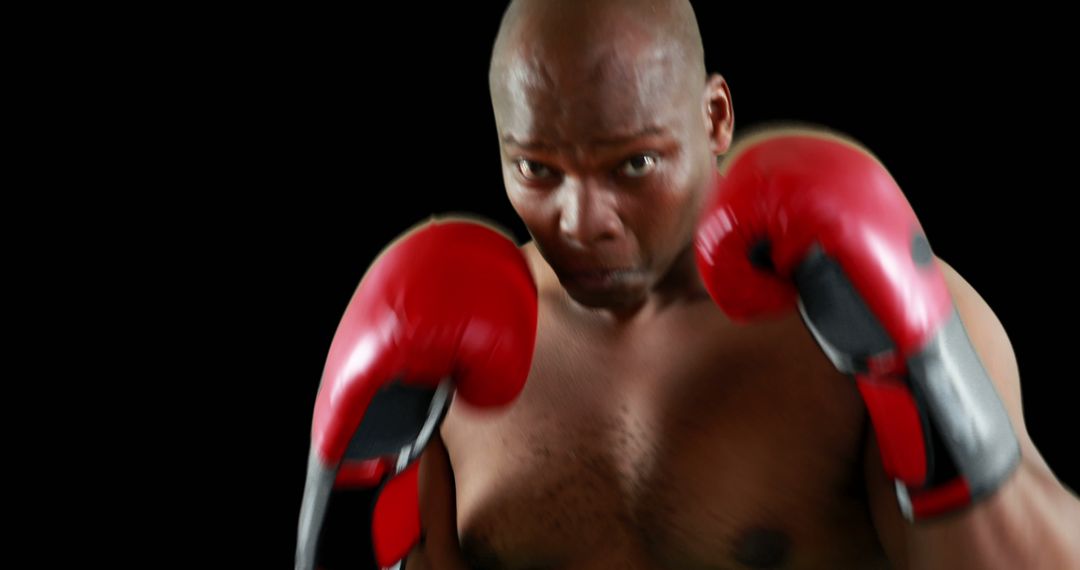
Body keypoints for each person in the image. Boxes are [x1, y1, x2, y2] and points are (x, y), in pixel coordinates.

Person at [297, 1, 1080, 568]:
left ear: (713, 118)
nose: (580, 219)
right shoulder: (436, 358)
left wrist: (923, 367)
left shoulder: (862, 314)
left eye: (631, 164)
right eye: (537, 169)